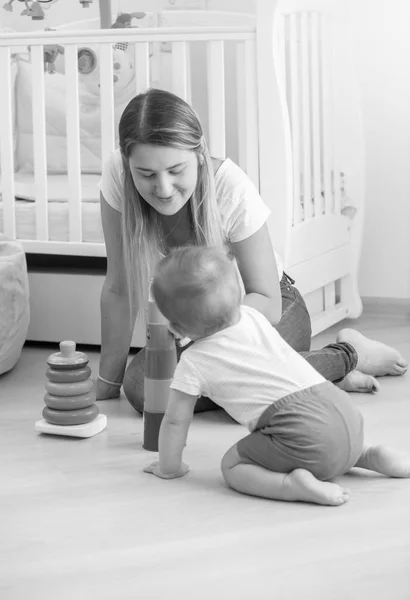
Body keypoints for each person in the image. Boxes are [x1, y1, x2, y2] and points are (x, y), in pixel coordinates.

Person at [96, 88, 407, 411]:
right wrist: (107, 384)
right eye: (146, 174)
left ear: (199, 154)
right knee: (142, 390)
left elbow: (267, 300)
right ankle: (312, 379)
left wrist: (204, 335)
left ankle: (348, 355)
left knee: (218, 382)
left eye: (176, 171)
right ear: (127, 162)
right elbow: (120, 288)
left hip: (260, 310)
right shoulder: (117, 175)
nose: (163, 189)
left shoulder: (231, 189)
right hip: (193, 322)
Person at [143, 246, 410, 506]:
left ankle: (290, 486)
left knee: (232, 465)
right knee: (346, 448)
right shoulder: (252, 317)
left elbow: (176, 422)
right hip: (343, 411)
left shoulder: (193, 361)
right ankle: (375, 456)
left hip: (304, 433)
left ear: (176, 327)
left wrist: (169, 467)